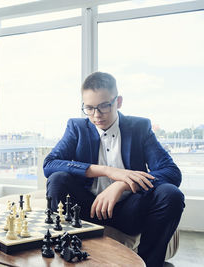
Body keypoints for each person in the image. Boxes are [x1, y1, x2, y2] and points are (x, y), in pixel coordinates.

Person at [44, 72, 184, 267]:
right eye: (89, 108)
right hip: (86, 209)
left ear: (118, 101)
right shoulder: (76, 127)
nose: (96, 115)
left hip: (129, 211)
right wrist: (107, 171)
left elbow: (171, 172)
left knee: (171, 194)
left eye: (103, 106)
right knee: (58, 179)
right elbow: (50, 164)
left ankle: (149, 264)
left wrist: (122, 184)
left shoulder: (139, 127)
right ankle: (64, 254)